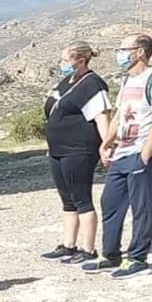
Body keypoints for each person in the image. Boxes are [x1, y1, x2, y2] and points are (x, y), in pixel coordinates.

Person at [85, 34, 152, 280]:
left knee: (141, 206)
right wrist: (106, 143)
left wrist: (146, 155)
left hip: (143, 153)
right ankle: (111, 254)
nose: (119, 54)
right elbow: (119, 116)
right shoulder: (126, 81)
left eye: (124, 49)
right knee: (110, 202)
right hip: (122, 151)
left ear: (141, 51)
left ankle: (137, 258)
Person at [42, 42, 112, 264]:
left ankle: (88, 248)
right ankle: (68, 245)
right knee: (67, 200)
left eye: (66, 60)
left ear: (80, 60)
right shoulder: (67, 81)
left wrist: (106, 145)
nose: (62, 64)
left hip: (78, 150)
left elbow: (102, 116)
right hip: (58, 149)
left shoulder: (93, 84)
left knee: (81, 198)